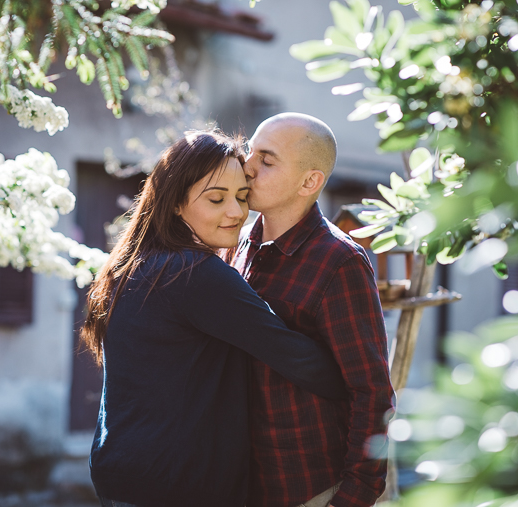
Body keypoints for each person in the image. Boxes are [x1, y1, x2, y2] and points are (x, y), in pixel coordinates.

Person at [81, 130, 348, 507]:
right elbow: (293, 355)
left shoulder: (136, 264)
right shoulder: (195, 273)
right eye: (216, 199)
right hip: (175, 484)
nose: (236, 213)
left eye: (242, 197)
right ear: (175, 203)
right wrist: (359, 381)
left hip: (123, 470)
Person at [233, 113, 395, 507]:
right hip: (242, 486)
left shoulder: (339, 261)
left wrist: (354, 496)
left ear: (310, 182)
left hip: (309, 490)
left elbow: (372, 392)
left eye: (267, 160)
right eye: (250, 152)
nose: (247, 167)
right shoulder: (238, 246)